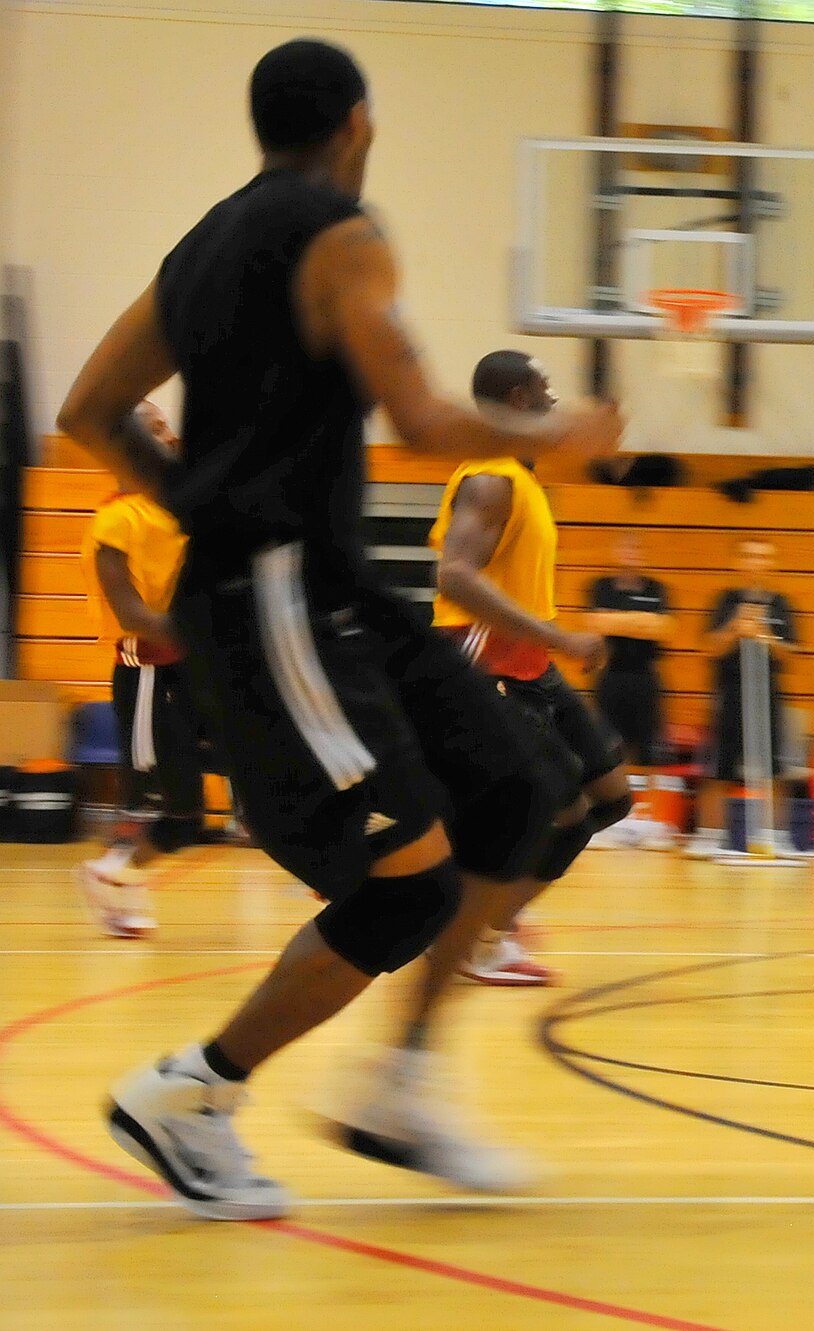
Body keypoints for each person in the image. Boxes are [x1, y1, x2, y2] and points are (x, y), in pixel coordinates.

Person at [58, 38, 620, 1220]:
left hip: (337, 592)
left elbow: (90, 408)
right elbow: (419, 419)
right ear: (357, 123)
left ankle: (403, 1083)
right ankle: (192, 1092)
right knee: (406, 883)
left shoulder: (200, 250)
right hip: (273, 602)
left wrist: (191, 490)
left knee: (520, 789)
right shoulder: (341, 233)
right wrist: (551, 438)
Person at [416, 349, 636, 986]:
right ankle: (473, 938)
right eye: (544, 390)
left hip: (532, 667)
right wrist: (560, 637)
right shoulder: (489, 477)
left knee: (611, 799)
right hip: (486, 667)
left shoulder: (526, 476)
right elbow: (454, 576)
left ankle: (489, 922)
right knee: (548, 811)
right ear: (518, 400)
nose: (552, 401)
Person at [75, 400, 197, 938]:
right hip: (147, 668)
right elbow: (132, 616)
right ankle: (114, 874)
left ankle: (114, 873)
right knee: (149, 795)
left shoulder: (172, 505)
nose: (167, 436)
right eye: (155, 430)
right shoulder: (116, 521)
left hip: (190, 667)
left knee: (188, 816)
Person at [688, 537, 801, 857]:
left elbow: (793, 654)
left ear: (771, 564)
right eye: (750, 556)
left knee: (775, 770)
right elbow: (708, 648)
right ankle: (710, 837)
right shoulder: (724, 602)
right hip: (729, 695)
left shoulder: (781, 604)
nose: (756, 563)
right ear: (740, 562)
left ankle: (777, 837)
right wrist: (734, 630)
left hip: (769, 696)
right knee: (717, 769)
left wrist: (765, 636)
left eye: (763, 557)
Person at [587, 532, 676, 848]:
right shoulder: (601, 587)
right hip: (611, 676)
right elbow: (595, 623)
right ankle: (613, 819)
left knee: (650, 749)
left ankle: (649, 821)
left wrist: (618, 621)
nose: (631, 552)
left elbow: (663, 628)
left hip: (645, 677)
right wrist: (640, 622)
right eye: (626, 546)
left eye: (636, 547)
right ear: (616, 551)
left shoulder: (657, 589)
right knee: (611, 747)